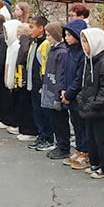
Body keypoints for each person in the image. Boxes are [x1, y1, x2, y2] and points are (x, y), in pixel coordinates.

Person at [76, 27, 104, 178]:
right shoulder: (89, 61)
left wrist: (92, 104)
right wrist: (81, 99)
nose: (84, 45)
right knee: (91, 138)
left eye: (87, 42)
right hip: (89, 108)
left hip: (99, 109)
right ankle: (95, 163)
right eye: (83, 42)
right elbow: (85, 85)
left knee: (101, 140)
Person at [61, 18, 89, 169]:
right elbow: (64, 73)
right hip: (69, 96)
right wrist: (63, 89)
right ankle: (79, 149)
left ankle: (85, 152)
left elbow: (79, 78)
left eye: (70, 35)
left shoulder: (82, 55)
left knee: (82, 124)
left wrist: (69, 93)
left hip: (78, 96)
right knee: (76, 124)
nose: (66, 38)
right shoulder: (69, 52)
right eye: (65, 35)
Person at [42, 22, 71, 160]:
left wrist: (58, 94)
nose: (47, 38)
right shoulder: (53, 50)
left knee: (60, 121)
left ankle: (64, 146)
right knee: (54, 120)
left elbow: (60, 74)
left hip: (57, 92)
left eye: (49, 35)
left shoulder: (62, 52)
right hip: (50, 89)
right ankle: (59, 144)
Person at [26, 15, 52, 151]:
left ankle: (48, 137)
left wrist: (44, 84)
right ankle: (41, 135)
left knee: (44, 112)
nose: (30, 30)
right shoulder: (33, 42)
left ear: (41, 28)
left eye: (32, 27)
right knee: (36, 111)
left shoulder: (45, 44)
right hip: (32, 83)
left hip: (41, 84)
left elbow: (46, 66)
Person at [13, 22, 39, 142]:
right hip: (22, 77)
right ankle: (24, 128)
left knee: (27, 105)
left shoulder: (28, 43)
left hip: (26, 78)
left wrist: (23, 39)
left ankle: (30, 130)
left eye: (20, 34)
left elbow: (24, 54)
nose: (18, 36)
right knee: (23, 104)